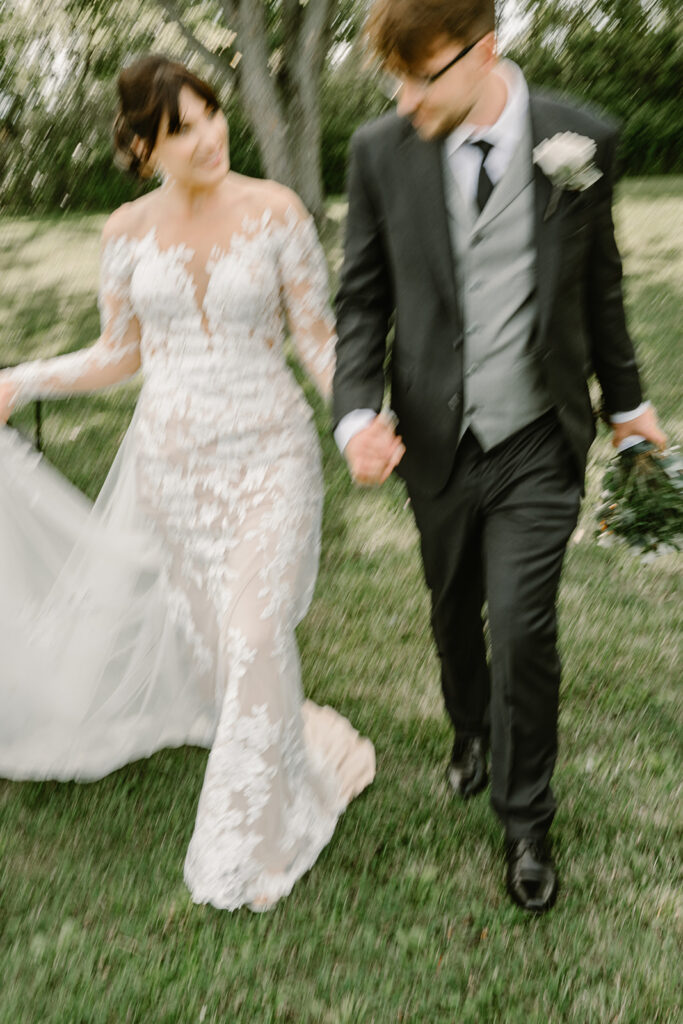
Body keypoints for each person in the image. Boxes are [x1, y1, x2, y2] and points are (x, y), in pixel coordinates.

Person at [0, 54, 375, 912]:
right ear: (142, 147)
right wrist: (22, 380)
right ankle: (285, 755)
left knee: (251, 636)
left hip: (269, 453)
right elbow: (119, 354)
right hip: (171, 465)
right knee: (226, 655)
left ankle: (252, 846)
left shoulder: (276, 211)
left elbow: (319, 340)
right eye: (181, 130)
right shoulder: (125, 233)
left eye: (209, 115)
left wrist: (356, 420)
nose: (208, 137)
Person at [332, 0, 666, 913]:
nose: (403, 99)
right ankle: (469, 729)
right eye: (391, 78)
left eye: (421, 75)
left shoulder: (582, 141)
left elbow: (600, 291)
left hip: (535, 439)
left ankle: (526, 823)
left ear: (487, 50)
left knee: (522, 626)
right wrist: (355, 413)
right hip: (435, 442)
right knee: (453, 610)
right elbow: (361, 300)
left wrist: (629, 405)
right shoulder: (376, 153)